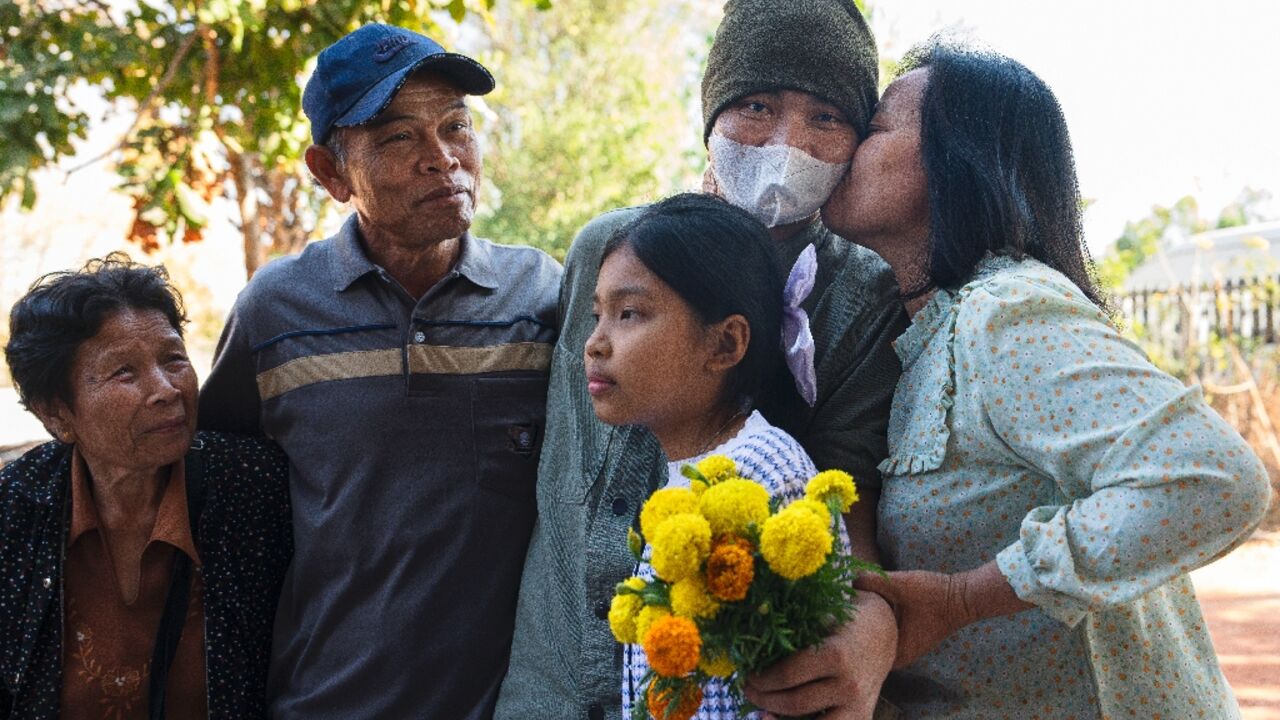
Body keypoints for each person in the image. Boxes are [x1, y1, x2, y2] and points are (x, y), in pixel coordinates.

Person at [820, 40, 1272, 718]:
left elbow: (1212, 477)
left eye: (879, 126)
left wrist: (969, 596)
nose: (850, 145)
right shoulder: (924, 343)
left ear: (955, 161)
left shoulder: (1001, 314)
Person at [496, 1, 907, 718]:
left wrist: (871, 629)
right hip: (548, 690)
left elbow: (850, 511)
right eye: (755, 105)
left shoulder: (860, 294)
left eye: (826, 118)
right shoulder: (607, 248)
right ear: (711, 113)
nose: (786, 143)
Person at [197, 24, 562, 720]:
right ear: (331, 174)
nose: (443, 158)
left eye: (456, 127)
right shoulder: (276, 310)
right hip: (324, 703)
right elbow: (210, 481)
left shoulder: (542, 297)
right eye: (398, 138)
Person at [584, 193, 855, 719]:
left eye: (630, 313)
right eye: (599, 314)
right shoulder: (697, 473)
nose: (596, 342)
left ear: (725, 344)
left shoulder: (762, 481)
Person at [0, 256, 291, 720]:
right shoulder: (16, 508)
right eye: (125, 373)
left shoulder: (254, 487)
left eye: (173, 359)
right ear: (56, 413)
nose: (166, 390)